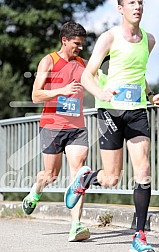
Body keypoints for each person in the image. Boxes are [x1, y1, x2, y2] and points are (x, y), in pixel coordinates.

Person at [64, 1, 159, 251]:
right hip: (111, 111)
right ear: (120, 9)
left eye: (140, 2)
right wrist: (102, 93)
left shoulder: (149, 40)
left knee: (144, 169)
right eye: (131, 3)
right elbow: (87, 75)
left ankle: (139, 236)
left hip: (137, 111)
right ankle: (88, 177)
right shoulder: (109, 38)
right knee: (112, 178)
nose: (136, 7)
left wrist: (150, 95)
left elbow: (137, 73)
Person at [22, 21, 90, 242]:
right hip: (51, 126)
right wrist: (63, 90)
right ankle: (36, 190)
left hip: (76, 127)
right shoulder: (49, 61)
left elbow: (101, 81)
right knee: (51, 175)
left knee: (79, 174)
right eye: (76, 44)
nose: (80, 48)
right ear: (64, 40)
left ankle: (76, 225)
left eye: (82, 44)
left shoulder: (83, 64)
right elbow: (36, 95)